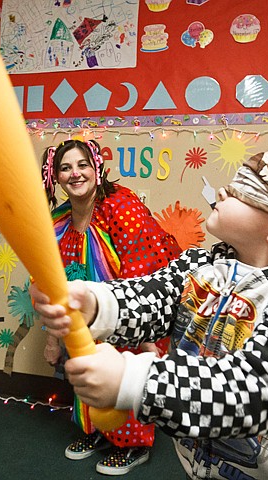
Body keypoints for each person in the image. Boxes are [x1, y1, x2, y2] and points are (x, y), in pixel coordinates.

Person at [32, 124, 268, 480]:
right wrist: (94, 302)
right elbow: (153, 296)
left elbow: (252, 390)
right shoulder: (206, 264)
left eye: (242, 191)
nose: (223, 191)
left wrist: (135, 382)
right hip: (199, 461)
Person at [40, 138, 181, 475]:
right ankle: (98, 431)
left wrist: (148, 342)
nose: (75, 174)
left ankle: (134, 444)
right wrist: (52, 339)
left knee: (125, 368)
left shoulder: (122, 206)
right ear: (55, 177)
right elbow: (50, 280)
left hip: (136, 305)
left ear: (96, 168)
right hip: (87, 313)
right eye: (65, 167)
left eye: (82, 165)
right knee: (87, 365)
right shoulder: (59, 219)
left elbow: (140, 271)